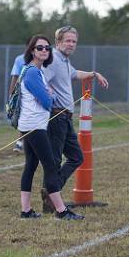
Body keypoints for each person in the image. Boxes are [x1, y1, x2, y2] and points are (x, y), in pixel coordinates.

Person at [41, 26, 109, 213]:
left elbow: (74, 74)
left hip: (66, 117)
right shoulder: (53, 59)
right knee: (53, 160)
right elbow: (41, 78)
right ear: (58, 42)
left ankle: (51, 191)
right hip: (56, 116)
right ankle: (51, 199)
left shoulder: (64, 61)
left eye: (74, 41)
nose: (71, 44)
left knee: (77, 157)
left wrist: (94, 74)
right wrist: (49, 91)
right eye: (67, 40)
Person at [17, 35, 83, 220]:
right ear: (32, 50)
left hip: (31, 124)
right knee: (51, 166)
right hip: (34, 126)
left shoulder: (35, 71)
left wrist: (48, 93)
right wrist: (51, 94)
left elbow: (43, 97)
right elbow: (46, 102)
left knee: (31, 165)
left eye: (47, 47)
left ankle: (26, 210)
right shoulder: (31, 72)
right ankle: (61, 211)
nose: (44, 50)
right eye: (39, 48)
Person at [8, 36, 33, 152]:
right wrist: (11, 95)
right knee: (25, 118)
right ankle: (20, 142)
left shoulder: (43, 58)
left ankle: (22, 143)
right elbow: (15, 77)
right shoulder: (20, 59)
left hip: (37, 94)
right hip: (23, 94)